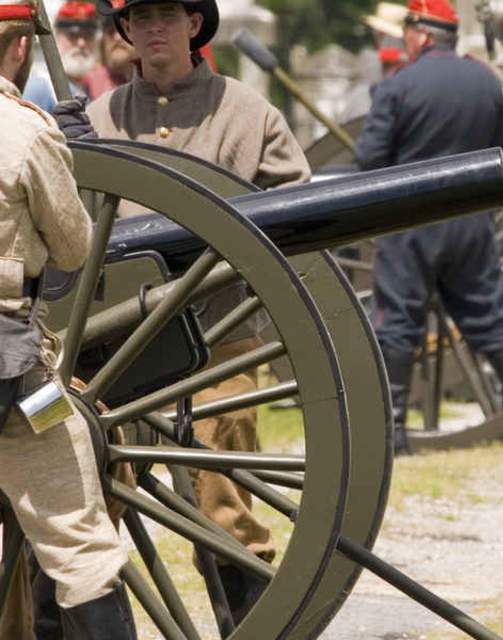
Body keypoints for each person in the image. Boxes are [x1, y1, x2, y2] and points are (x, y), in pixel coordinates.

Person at [53, 0, 310, 624]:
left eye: (166, 15)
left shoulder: (247, 112)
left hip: (218, 331)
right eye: (139, 19)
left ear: (194, 25)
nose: (153, 29)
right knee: (85, 489)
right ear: (127, 34)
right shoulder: (99, 116)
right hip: (115, 342)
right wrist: (65, 151)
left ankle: (247, 620)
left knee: (222, 492)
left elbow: (299, 209)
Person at [0, 1, 136, 638]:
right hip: (15, 377)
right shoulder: (26, 132)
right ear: (21, 48)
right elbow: (76, 250)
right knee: (79, 543)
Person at [355, 0, 503, 453]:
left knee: (398, 322)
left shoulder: (400, 85)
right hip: (471, 222)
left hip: (411, 222)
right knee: (491, 317)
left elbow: (370, 160)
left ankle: (395, 431)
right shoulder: (485, 82)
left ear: (420, 33)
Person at [84, 14, 136, 100]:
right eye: (110, 31)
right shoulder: (89, 84)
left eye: (126, 30)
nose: (117, 37)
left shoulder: (157, 79)